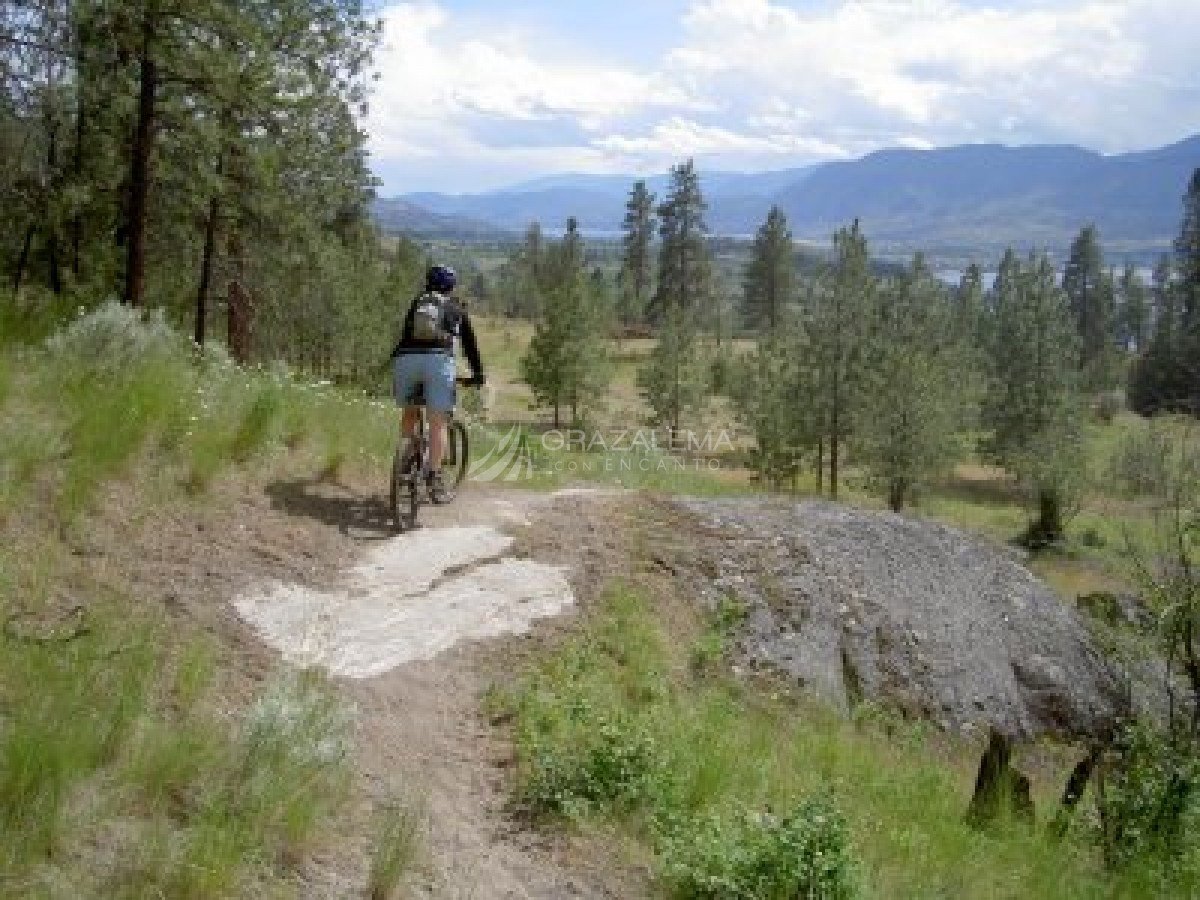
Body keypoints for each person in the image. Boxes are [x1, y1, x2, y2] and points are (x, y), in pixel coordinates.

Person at [390, 264, 484, 501]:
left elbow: (405, 336)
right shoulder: (456, 309)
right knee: (438, 422)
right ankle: (433, 475)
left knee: (410, 411)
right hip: (438, 362)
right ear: (451, 287)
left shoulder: (417, 304)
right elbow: (470, 347)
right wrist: (478, 375)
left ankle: (405, 460)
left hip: (405, 361)